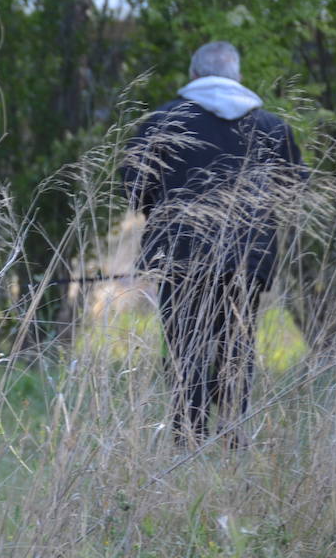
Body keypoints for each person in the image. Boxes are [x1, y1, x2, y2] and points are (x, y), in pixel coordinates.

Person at [122, 42, 304, 446]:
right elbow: (292, 193)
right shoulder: (274, 127)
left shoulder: (163, 122)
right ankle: (234, 430)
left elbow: (134, 190)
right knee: (236, 342)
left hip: (180, 253)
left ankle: (189, 434)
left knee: (185, 343)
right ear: (237, 77)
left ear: (194, 77)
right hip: (248, 258)